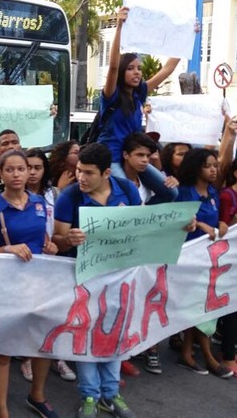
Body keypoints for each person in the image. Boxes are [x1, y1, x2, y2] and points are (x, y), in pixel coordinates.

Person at [52, 143, 140, 418]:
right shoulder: (70, 197)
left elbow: (143, 227)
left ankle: (111, 394)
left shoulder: (128, 191)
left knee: (115, 330)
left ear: (105, 173)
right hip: (84, 277)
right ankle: (90, 395)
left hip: (120, 276)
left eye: (88, 172)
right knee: (86, 332)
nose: (81, 178)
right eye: (78, 170)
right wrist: (69, 239)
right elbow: (57, 239)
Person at [0, 150, 59, 418]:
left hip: (39, 283)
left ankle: (38, 395)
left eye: (21, 169)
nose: (16, 175)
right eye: (10, 170)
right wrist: (7, 249)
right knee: (3, 351)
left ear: (28, 172)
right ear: (0, 174)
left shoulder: (38, 203)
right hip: (7, 287)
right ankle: (2, 410)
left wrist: (51, 247)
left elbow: (44, 241)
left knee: (42, 344)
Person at [98, 6, 185, 204]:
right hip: (113, 158)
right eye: (130, 68)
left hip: (136, 156)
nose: (137, 72)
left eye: (139, 68)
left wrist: (187, 36)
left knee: (171, 193)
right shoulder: (111, 95)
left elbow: (168, 69)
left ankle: (146, 218)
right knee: (130, 198)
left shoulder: (139, 95)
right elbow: (112, 66)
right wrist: (119, 26)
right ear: (121, 72)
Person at [175, 148, 233, 379]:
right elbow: (178, 220)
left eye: (215, 166)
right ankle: (207, 357)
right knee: (197, 306)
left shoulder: (212, 192)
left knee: (201, 307)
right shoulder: (184, 192)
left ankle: (188, 353)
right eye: (208, 165)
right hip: (188, 259)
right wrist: (200, 225)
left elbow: (214, 218)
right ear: (196, 167)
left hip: (208, 259)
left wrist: (221, 223)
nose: (214, 169)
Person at [21, 149, 77, 386]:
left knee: (56, 310)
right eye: (29, 167)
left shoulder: (54, 193)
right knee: (31, 311)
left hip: (54, 259)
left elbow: (60, 227)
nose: (33, 172)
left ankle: (56, 356)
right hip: (28, 261)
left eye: (37, 167)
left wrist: (57, 244)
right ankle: (26, 356)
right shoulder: (17, 194)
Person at [121, 133, 179, 205]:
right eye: (140, 155)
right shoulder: (112, 183)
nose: (145, 160)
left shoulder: (148, 182)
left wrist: (172, 184)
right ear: (126, 155)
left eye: (148, 156)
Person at [218, 158, 237, 375]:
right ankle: (228, 356)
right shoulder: (227, 196)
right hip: (228, 260)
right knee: (232, 308)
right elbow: (223, 228)